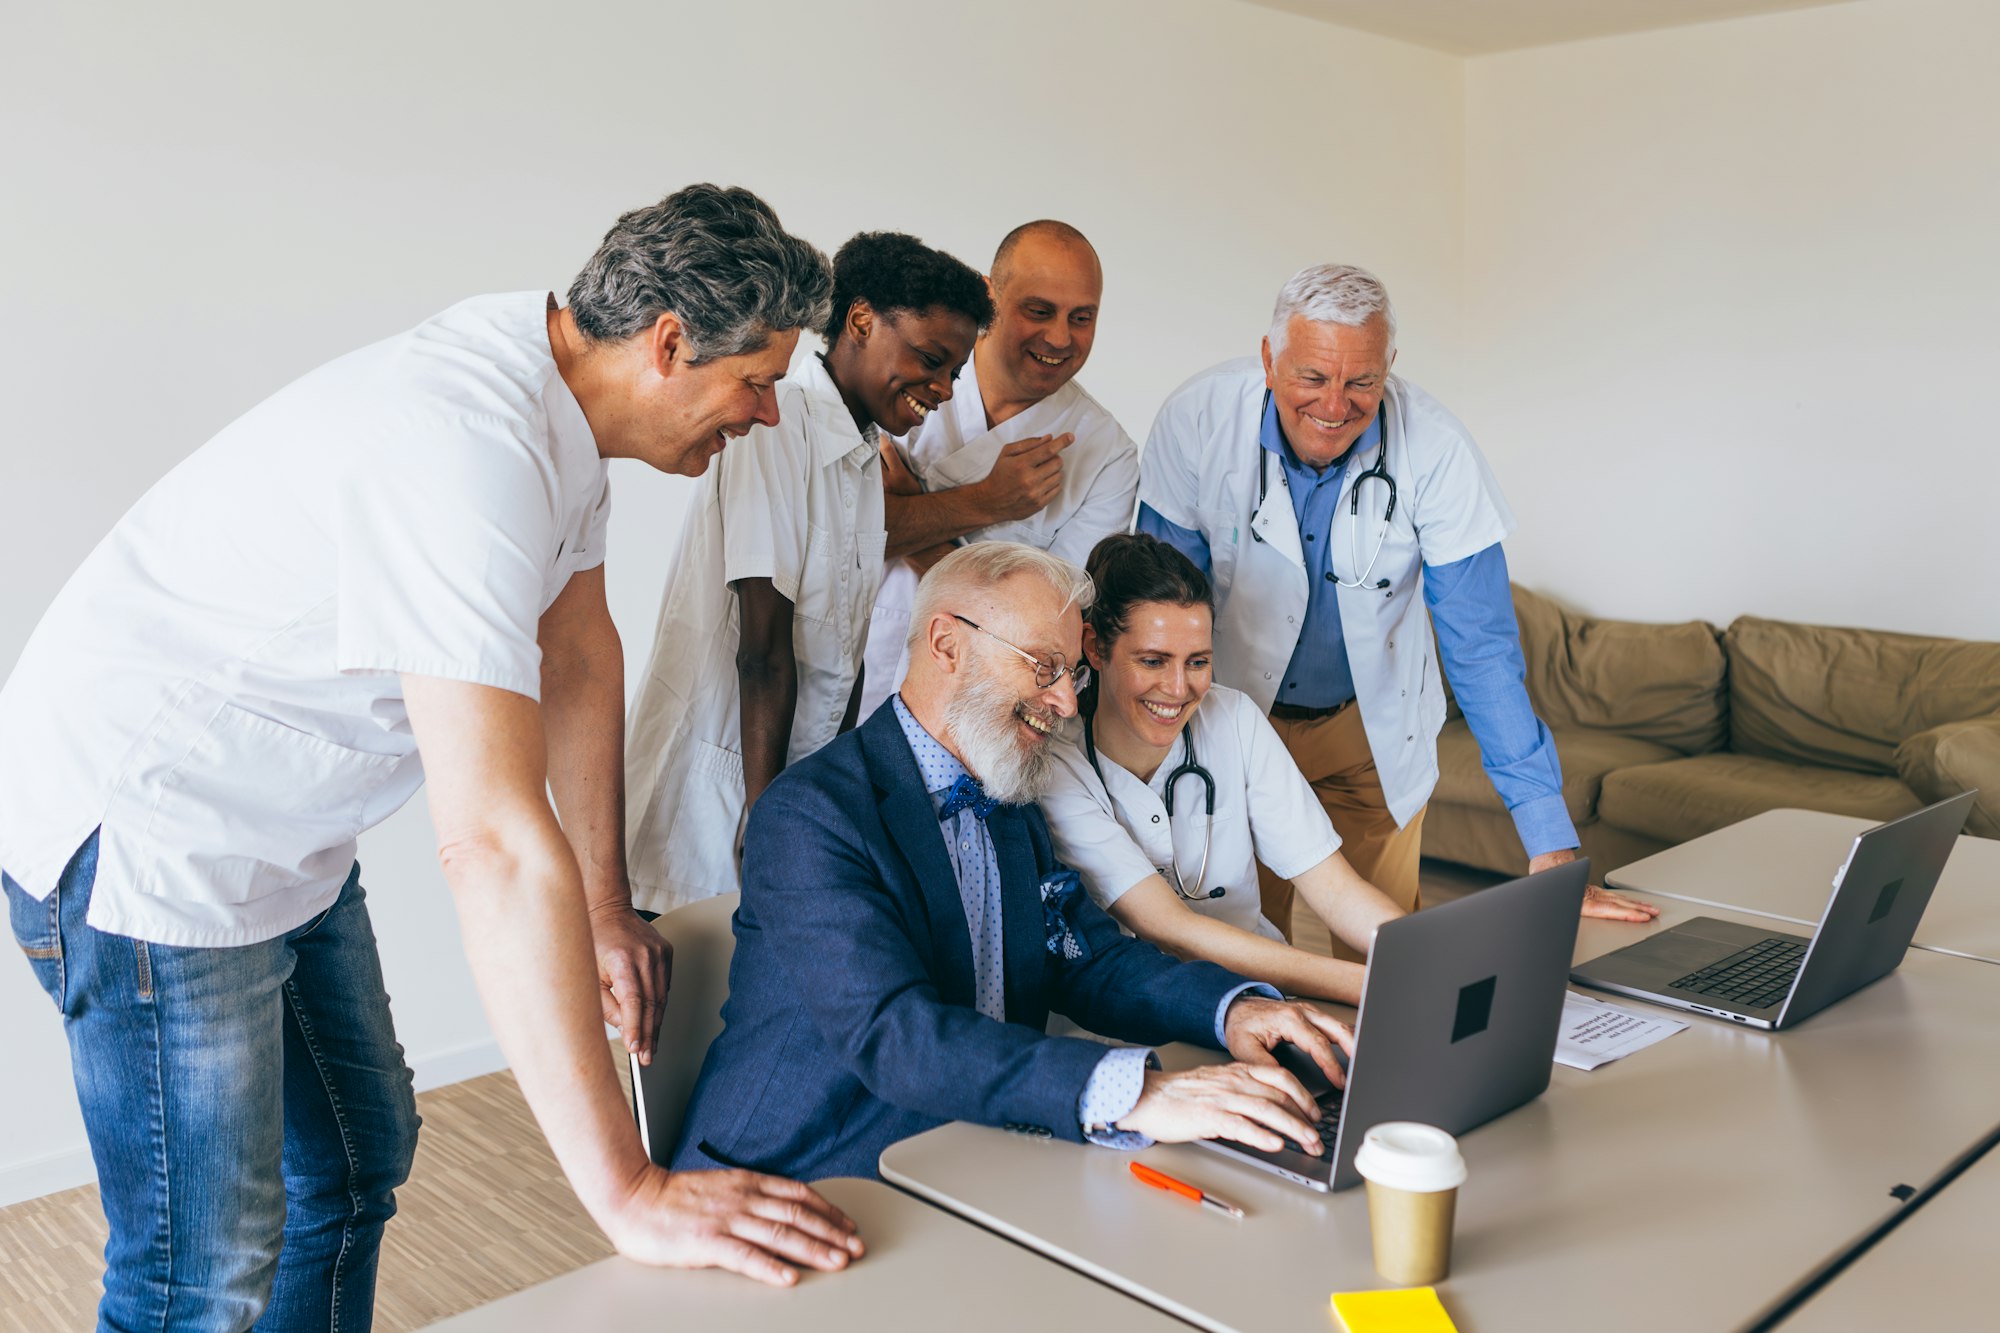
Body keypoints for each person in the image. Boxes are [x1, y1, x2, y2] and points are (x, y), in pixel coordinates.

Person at [0, 184, 868, 1326]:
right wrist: (627, 1189)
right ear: (668, 344)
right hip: (152, 841)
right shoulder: (463, 447)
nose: (764, 416)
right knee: (197, 1277)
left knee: (358, 1161)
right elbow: (495, 847)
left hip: (285, 828)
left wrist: (609, 905)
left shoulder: (552, 392)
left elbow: (577, 647)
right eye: (756, 381)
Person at [670, 542, 1356, 1181]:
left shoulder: (1007, 788)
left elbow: (1086, 957)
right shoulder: (812, 813)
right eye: (1043, 665)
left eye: (1071, 672)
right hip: (802, 1171)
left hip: (972, 1151)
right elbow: (896, 1036)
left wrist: (1230, 1011)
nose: (1065, 701)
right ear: (947, 644)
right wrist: (1138, 1091)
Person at [1137, 263, 1656, 952]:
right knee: (1246, 958)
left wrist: (1550, 845)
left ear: (1389, 367)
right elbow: (1158, 607)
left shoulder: (1436, 450)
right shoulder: (1197, 420)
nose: (1336, 404)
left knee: (1390, 963)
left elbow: (1481, 648)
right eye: (1313, 377)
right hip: (1236, 723)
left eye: (1362, 381)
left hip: (1366, 739)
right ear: (1269, 359)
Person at [624, 232, 992, 914]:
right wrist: (770, 825)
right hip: (719, 795)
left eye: (954, 374)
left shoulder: (862, 457)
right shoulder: (776, 418)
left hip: (785, 799)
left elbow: (842, 659)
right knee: (679, 999)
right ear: (859, 320)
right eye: (931, 359)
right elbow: (764, 648)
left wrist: (826, 809)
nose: (941, 389)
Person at [1039, 534, 1405, 1001]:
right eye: (1153, 661)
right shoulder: (1056, 762)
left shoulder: (1233, 718)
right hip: (1137, 1016)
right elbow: (1172, 931)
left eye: (1198, 662)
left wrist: (1419, 954)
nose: (1178, 689)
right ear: (1094, 647)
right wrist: (1370, 985)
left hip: (1263, 993)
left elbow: (1333, 888)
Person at [856, 219, 1139, 716]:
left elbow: (1039, 632)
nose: (1059, 337)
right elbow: (841, 533)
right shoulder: (902, 374)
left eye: (1081, 317)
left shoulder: (1106, 453)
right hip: (846, 661)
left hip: (973, 708)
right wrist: (985, 502)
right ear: (990, 296)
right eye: (1039, 311)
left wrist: (907, 514)